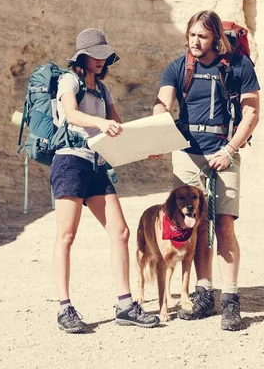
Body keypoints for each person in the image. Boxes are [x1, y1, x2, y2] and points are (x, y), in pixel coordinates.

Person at [152, 11, 260, 331]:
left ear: (216, 38)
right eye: (192, 35)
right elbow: (162, 103)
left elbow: (251, 113)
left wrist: (229, 150)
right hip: (187, 155)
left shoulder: (239, 67)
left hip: (224, 150)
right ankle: (203, 292)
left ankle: (230, 300)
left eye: (203, 36)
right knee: (194, 225)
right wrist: (157, 127)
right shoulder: (178, 67)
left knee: (224, 225)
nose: (196, 42)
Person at [51, 28, 160, 333]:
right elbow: (71, 114)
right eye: (95, 55)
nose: (101, 60)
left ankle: (125, 306)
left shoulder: (103, 90)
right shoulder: (68, 81)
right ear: (82, 57)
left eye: (104, 55)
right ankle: (64, 308)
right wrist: (99, 122)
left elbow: (119, 130)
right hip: (70, 162)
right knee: (66, 236)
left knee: (121, 232)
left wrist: (146, 149)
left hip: (96, 166)